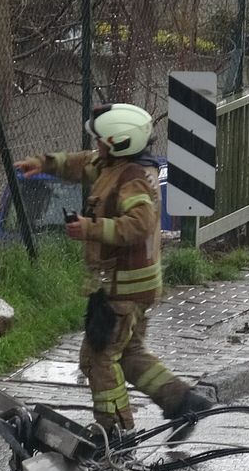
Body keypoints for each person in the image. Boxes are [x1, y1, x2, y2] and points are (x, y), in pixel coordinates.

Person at [15, 103, 213, 441]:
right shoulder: (117, 166)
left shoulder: (132, 180)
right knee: (130, 353)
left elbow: (139, 224)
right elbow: (82, 163)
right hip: (134, 286)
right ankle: (183, 401)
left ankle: (115, 431)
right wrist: (44, 163)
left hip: (124, 289)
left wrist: (91, 228)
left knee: (97, 358)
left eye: (101, 141)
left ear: (119, 142)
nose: (97, 147)